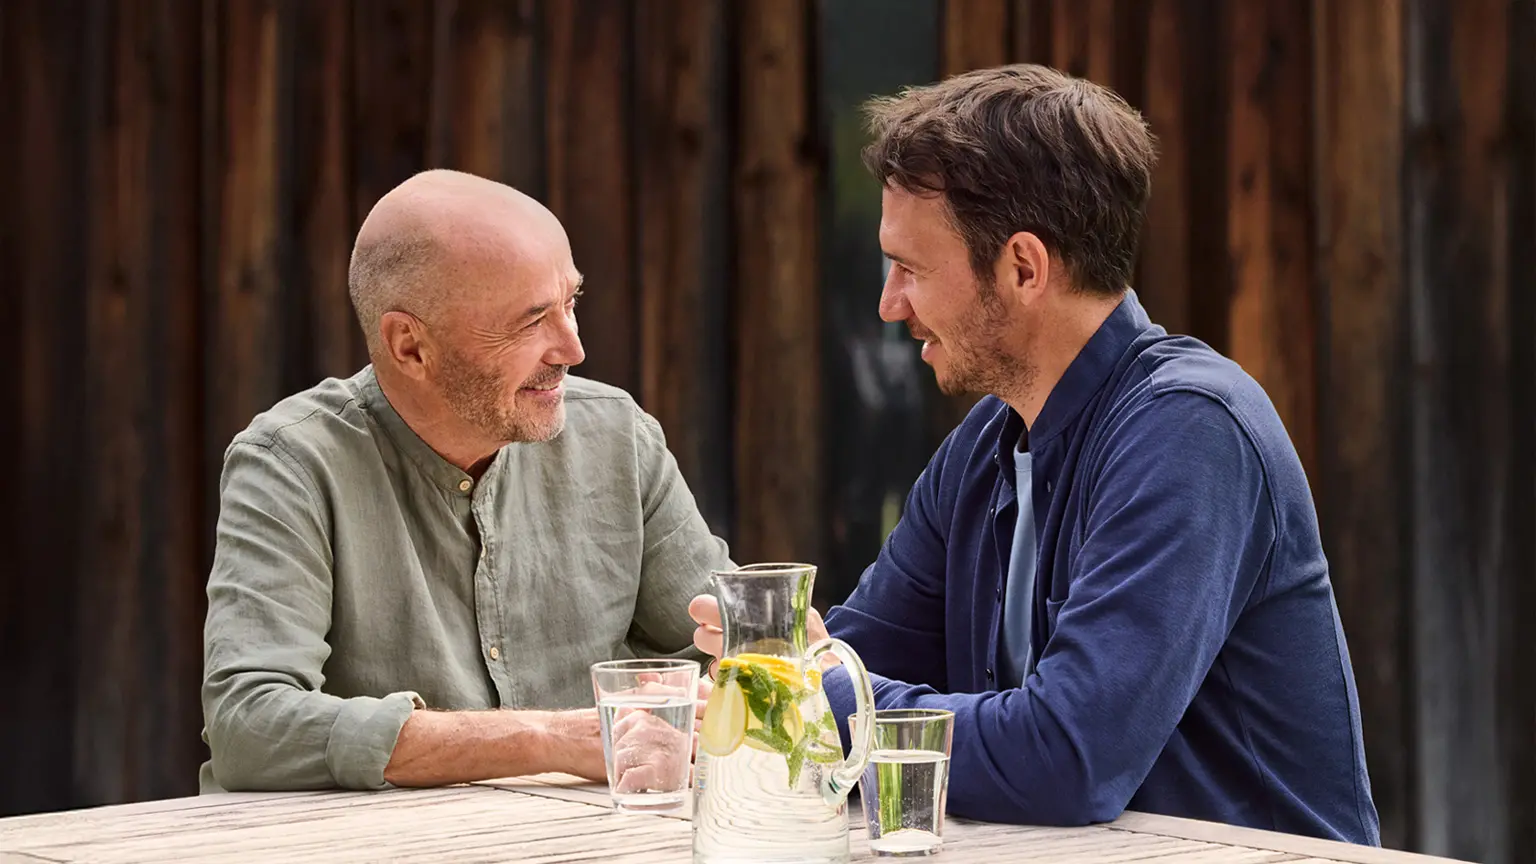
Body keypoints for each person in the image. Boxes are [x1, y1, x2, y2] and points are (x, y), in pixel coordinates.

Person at [691, 64, 1381, 845]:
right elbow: (849, 666)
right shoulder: (985, 446)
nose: (888, 304)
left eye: (910, 268)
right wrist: (793, 686)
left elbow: (1067, 756)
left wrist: (809, 692)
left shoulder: (1191, 430)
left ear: (1024, 267)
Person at [201, 169, 728, 793]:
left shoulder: (617, 436)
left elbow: (725, 657)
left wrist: (764, 658)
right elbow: (252, 725)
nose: (572, 347)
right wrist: (549, 740)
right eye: (531, 321)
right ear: (409, 347)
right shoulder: (290, 463)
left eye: (572, 303)